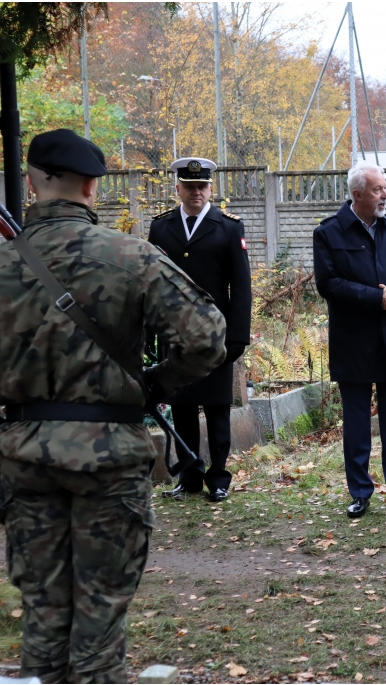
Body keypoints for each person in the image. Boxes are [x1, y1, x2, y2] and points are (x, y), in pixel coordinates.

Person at [0, 129, 227, 683]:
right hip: (109, 458)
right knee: (100, 611)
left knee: (43, 611)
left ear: (31, 182)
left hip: (25, 457)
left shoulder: (5, 264)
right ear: (94, 186)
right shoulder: (130, 257)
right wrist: (154, 384)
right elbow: (206, 338)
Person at [313, 161, 386, 518]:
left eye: (385, 188)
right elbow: (329, 285)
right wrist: (377, 298)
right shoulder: (329, 233)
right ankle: (359, 493)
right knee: (357, 425)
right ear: (357, 194)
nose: (385, 195)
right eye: (378, 190)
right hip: (354, 343)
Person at [148, 157, 252, 503]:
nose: (196, 192)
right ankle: (189, 475)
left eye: (202, 186)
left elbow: (241, 287)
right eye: (190, 186)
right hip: (174, 333)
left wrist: (238, 336)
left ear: (210, 189)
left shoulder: (228, 227)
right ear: (177, 188)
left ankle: (218, 477)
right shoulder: (161, 228)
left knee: (217, 406)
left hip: (214, 335)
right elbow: (150, 283)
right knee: (182, 407)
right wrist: (149, 333)